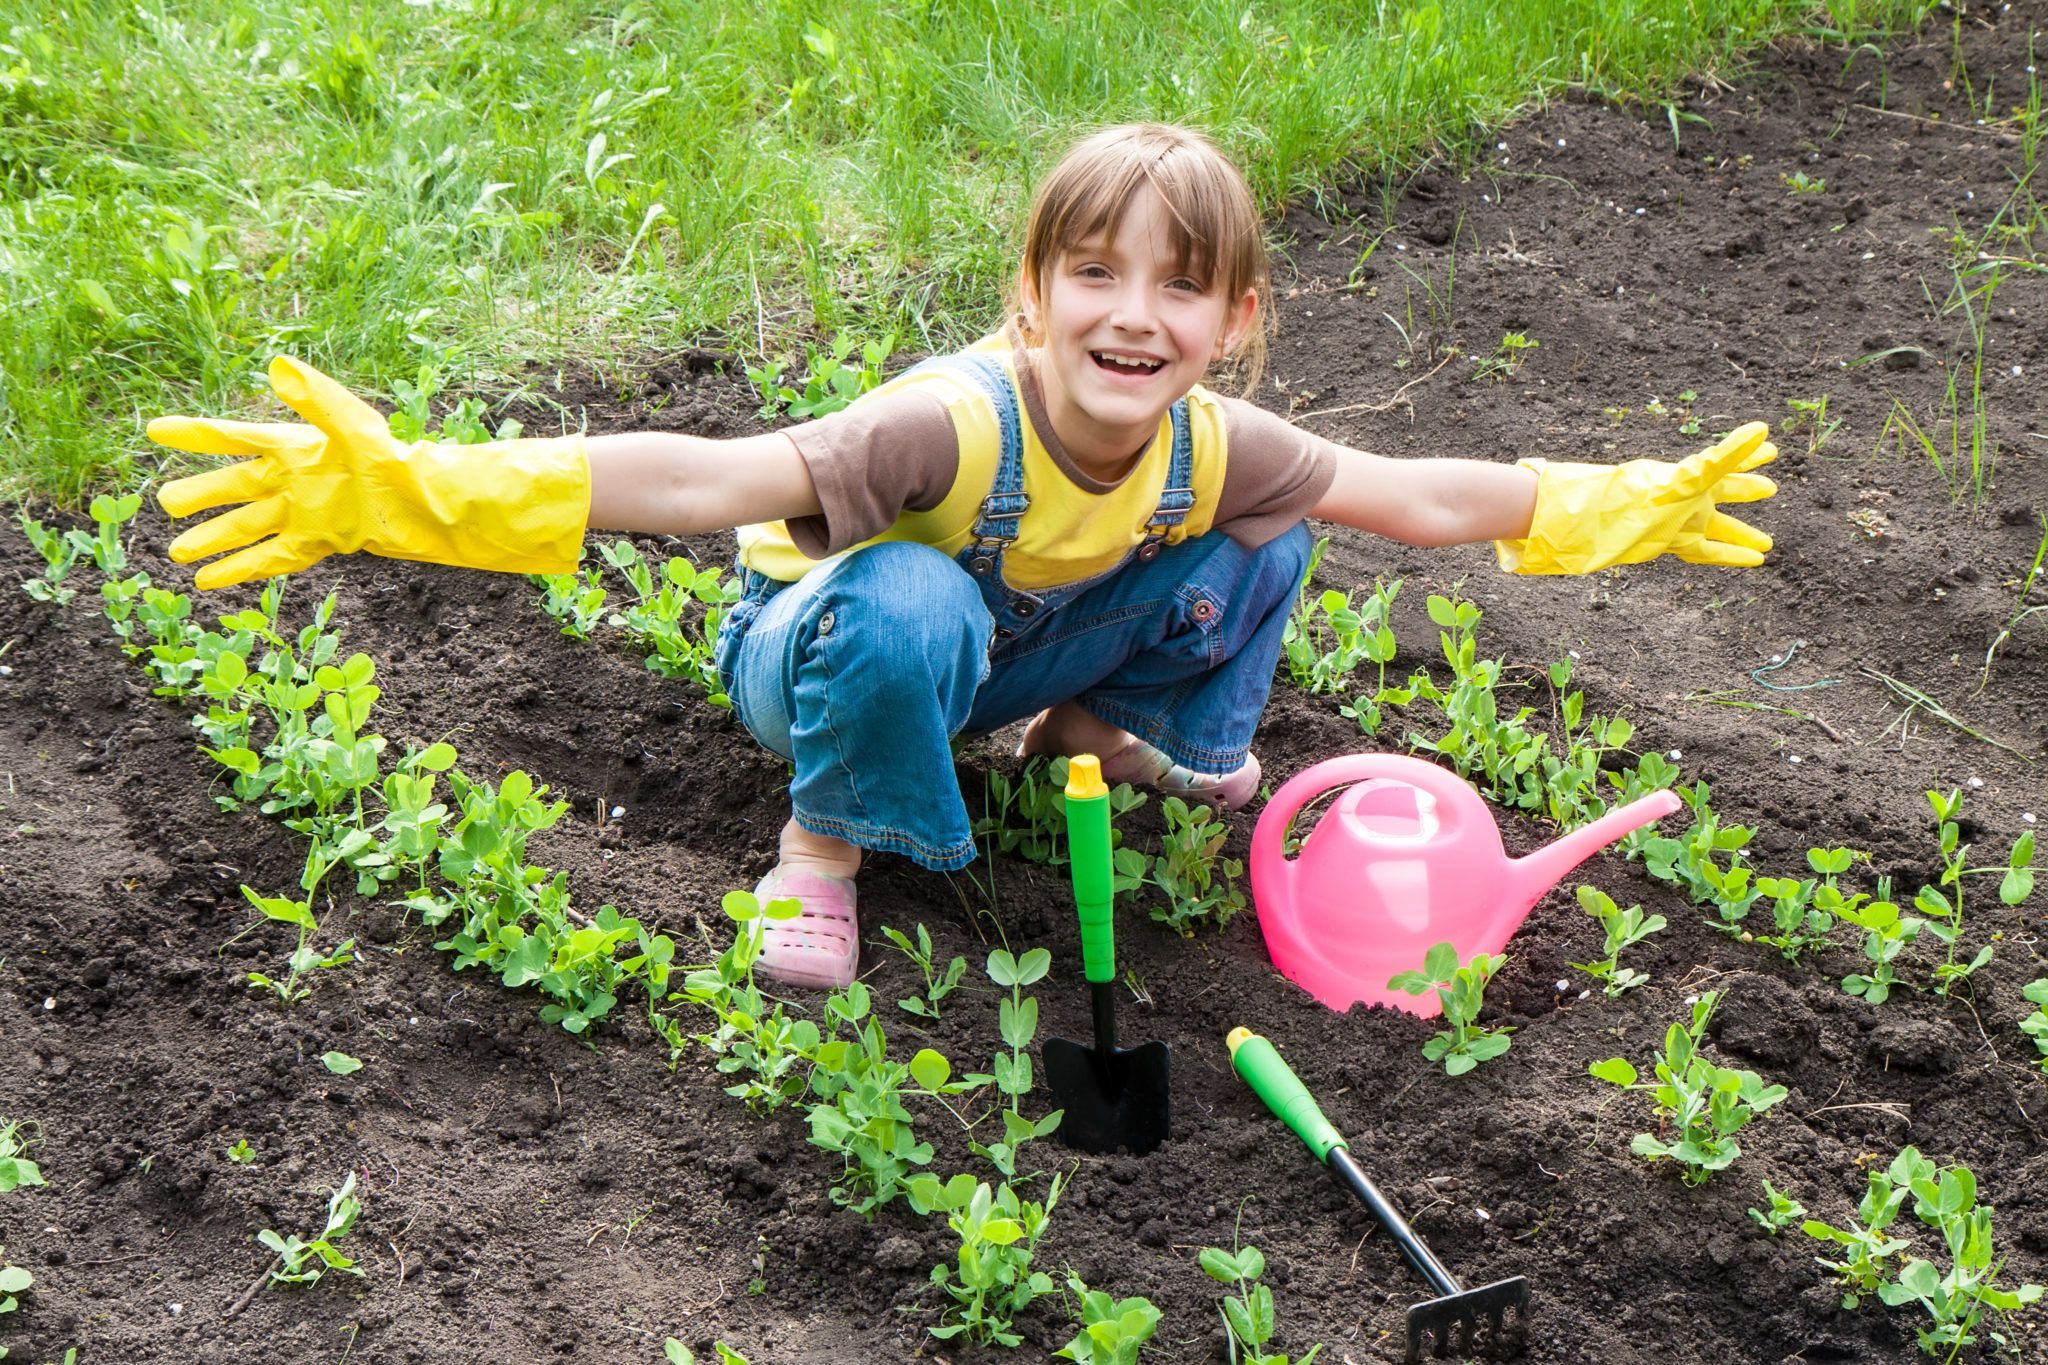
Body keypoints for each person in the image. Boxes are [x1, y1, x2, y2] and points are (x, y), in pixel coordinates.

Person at [147, 123, 1778, 990]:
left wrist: (1600, 499)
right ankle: (828, 852)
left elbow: (1421, 498)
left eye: (1180, 288)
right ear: (1032, 292)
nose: (1133, 315)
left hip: (1008, 659)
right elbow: (709, 476)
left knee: (1269, 541)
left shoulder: (1217, 441)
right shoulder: (945, 428)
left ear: (1234, 319)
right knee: (917, 593)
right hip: (829, 666)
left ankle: (1095, 733)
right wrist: (428, 488)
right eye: (1095, 273)